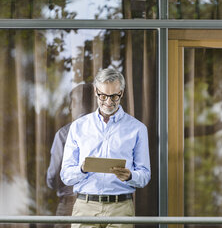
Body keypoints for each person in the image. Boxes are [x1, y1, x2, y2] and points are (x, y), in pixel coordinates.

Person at [60, 68, 151, 228]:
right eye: (103, 96)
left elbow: (144, 176)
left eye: (114, 96)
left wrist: (130, 176)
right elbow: (66, 175)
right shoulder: (78, 127)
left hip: (121, 208)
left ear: (121, 93)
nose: (108, 102)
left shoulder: (137, 128)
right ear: (96, 91)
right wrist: (82, 169)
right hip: (85, 207)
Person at [47, 83, 93, 228]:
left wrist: (51, 184)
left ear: (77, 103)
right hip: (99, 206)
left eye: (71, 102)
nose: (69, 108)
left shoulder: (64, 134)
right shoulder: (108, 133)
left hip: (69, 205)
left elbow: (53, 175)